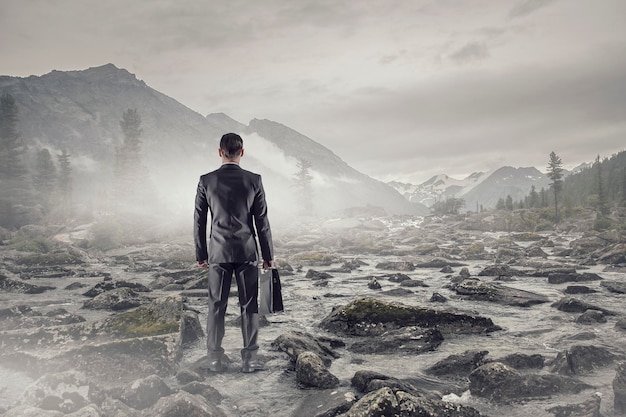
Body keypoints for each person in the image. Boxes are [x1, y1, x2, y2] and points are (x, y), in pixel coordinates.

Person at [194, 132, 275, 373]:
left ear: (220, 152)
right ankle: (250, 361)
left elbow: (199, 220)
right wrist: (268, 255)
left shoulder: (206, 180)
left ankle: (214, 360)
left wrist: (201, 253)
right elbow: (262, 221)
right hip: (247, 251)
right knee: (249, 306)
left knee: (216, 305)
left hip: (217, 252)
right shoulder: (254, 180)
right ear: (242, 152)